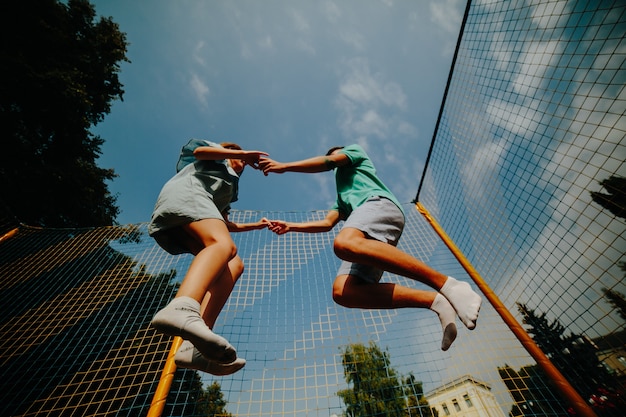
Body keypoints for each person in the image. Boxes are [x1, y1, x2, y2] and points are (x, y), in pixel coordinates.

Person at [259, 144, 481, 351]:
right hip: (367, 227)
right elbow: (326, 224)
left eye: (337, 155)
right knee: (344, 292)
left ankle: (448, 284)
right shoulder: (342, 198)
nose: (336, 160)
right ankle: (436, 301)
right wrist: (291, 226)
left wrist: (285, 166)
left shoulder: (355, 152)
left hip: (379, 205)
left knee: (345, 243)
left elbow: (330, 162)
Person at [149, 139, 271, 375]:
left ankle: (192, 346)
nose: (243, 165)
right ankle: (182, 306)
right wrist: (244, 152)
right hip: (185, 198)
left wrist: (256, 225)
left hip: (189, 214)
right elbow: (199, 151)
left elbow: (224, 222)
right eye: (240, 160)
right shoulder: (215, 157)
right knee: (221, 244)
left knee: (233, 264)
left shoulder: (230, 188)